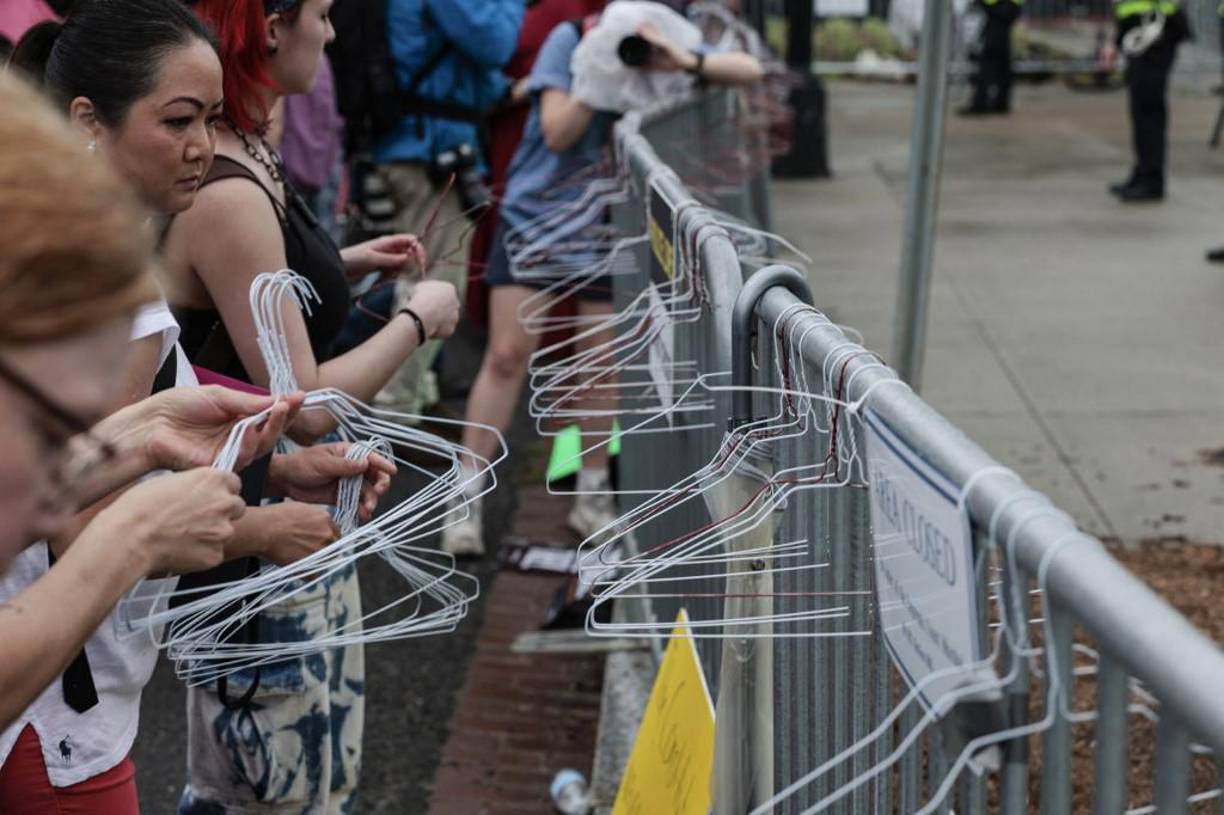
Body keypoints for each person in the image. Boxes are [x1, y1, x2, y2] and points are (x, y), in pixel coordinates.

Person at [3, 4, 394, 809]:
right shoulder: (98, 296)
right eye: (178, 119)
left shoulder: (105, 269)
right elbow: (68, 516)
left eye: (211, 120)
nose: (200, 147)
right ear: (86, 120)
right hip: (55, 707)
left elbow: (76, 472)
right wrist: (261, 525)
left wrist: (276, 469)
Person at [160, 0, 459, 810]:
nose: (333, 34)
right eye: (323, 15)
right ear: (269, 25)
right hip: (252, 544)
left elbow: (257, 300)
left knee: (317, 782)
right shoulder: (225, 184)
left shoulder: (249, 146)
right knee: (271, 792)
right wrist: (416, 320)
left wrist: (348, 262)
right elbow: (306, 404)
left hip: (281, 514)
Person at [440, 13, 764, 556]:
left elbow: (748, 69)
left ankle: (591, 495)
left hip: (610, 226)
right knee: (504, 355)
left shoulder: (664, 36)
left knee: (600, 365)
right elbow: (556, 129)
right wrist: (601, 65)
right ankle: (466, 495)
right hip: (537, 218)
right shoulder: (573, 38)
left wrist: (684, 61)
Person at [368, 0, 525, 415]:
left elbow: (464, 61)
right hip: (427, 150)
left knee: (426, 271)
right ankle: (393, 412)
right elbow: (495, 42)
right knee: (430, 277)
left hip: (421, 144)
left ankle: (414, 401)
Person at [1104, 0, 1190, 202]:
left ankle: (1151, 180)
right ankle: (1143, 172)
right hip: (1140, 29)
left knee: (1149, 111)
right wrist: (1116, 40)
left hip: (1155, 30)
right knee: (1140, 110)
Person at [959, 0, 1022, 117]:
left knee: (988, 61)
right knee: (1003, 63)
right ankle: (1000, 103)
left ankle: (980, 103)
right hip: (1007, 7)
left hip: (1000, 7)